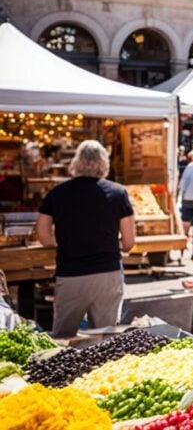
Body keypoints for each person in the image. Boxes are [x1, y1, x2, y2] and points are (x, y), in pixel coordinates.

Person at [35, 141, 136, 338]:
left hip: (71, 273)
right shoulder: (118, 192)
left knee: (63, 337)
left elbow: (42, 233)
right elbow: (129, 242)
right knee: (107, 337)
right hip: (108, 272)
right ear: (104, 163)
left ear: (77, 162)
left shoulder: (57, 193)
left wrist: (57, 244)